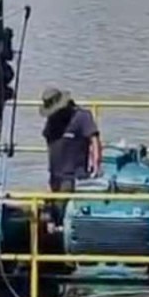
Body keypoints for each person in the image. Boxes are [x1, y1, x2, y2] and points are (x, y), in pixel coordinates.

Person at [40, 87, 102, 228]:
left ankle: (60, 228)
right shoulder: (52, 120)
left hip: (73, 174)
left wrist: (96, 164)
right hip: (55, 173)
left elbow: (94, 139)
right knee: (52, 207)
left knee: (62, 208)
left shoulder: (82, 117)